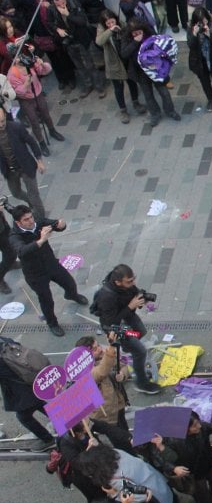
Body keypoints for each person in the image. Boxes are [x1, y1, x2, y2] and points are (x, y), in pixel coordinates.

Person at [8, 205, 88, 337]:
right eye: (26, 219)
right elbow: (22, 252)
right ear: (18, 222)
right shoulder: (14, 236)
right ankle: (52, 323)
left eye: (31, 217)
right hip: (35, 273)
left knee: (69, 283)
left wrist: (61, 225)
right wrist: (41, 240)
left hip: (51, 263)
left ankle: (72, 295)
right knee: (46, 300)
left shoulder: (37, 222)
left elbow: (54, 224)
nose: (31, 221)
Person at [92, 263, 161, 394]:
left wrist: (141, 299)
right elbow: (111, 322)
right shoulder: (106, 297)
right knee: (140, 351)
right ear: (118, 282)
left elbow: (134, 293)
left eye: (133, 279)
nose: (133, 283)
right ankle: (141, 383)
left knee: (141, 331)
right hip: (116, 328)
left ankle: (127, 347)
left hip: (127, 316)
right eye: (129, 281)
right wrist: (130, 306)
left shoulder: (126, 286)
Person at [48, 0, 105, 100]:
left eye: (61, 1)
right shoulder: (52, 9)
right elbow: (49, 22)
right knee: (79, 65)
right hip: (69, 41)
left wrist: (68, 15)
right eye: (57, 3)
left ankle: (100, 87)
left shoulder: (74, 4)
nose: (60, 4)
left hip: (81, 40)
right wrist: (57, 29)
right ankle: (88, 85)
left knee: (90, 64)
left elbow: (82, 22)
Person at [0, 339, 55, 451]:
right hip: (32, 380)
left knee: (24, 417)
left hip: (20, 392)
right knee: (43, 405)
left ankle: (48, 440)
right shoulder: (4, 340)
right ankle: (68, 424)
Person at [7, 47, 63, 155]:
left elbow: (45, 70)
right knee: (34, 121)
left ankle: (52, 131)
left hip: (38, 94)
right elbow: (18, 91)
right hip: (26, 100)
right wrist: (27, 83)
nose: (19, 59)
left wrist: (42, 64)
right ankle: (41, 143)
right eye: (16, 57)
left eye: (19, 55)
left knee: (46, 115)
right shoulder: (12, 73)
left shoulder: (29, 62)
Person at [95, 9, 146, 124]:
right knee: (118, 88)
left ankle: (135, 102)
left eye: (112, 22)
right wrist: (110, 31)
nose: (111, 25)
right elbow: (99, 41)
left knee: (132, 82)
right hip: (114, 63)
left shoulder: (122, 24)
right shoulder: (102, 29)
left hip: (126, 60)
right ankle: (123, 110)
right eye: (108, 23)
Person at [0, 107, 47, 217]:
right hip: (10, 170)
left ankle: (41, 217)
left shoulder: (16, 127)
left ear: (5, 117)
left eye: (2, 121)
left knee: (34, 195)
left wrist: (39, 160)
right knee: (15, 193)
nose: (1, 124)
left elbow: (32, 142)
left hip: (26, 166)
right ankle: (31, 203)